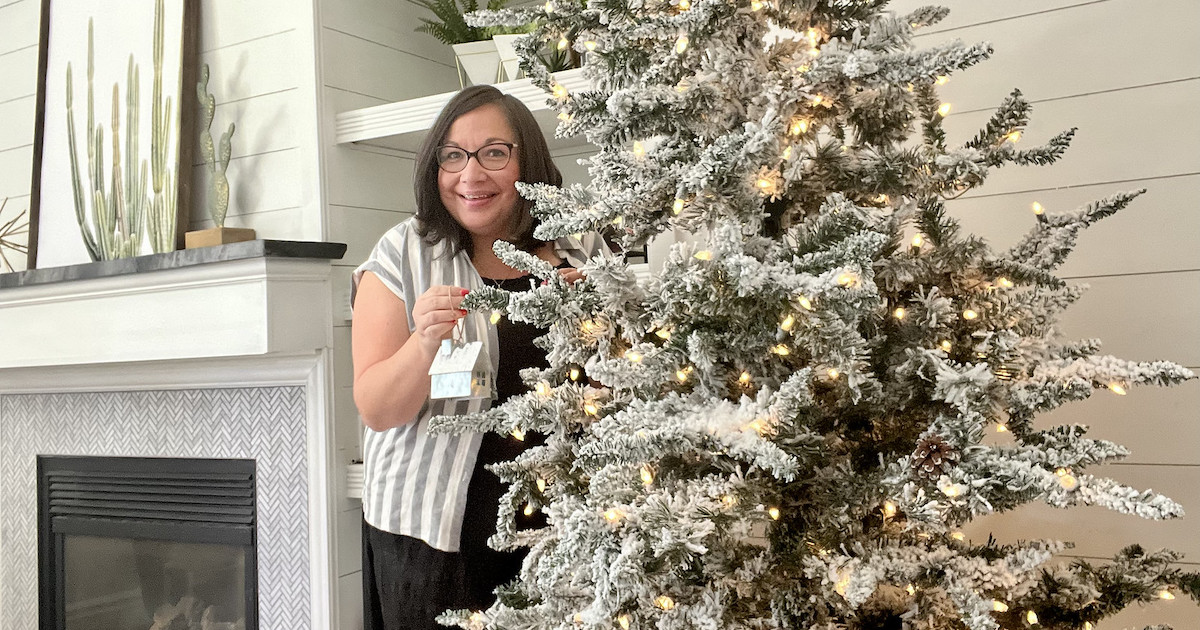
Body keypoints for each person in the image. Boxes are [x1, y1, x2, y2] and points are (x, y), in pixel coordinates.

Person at [351, 84, 608, 630]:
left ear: (528, 163)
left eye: (495, 152)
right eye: (453, 155)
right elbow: (376, 408)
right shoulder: (403, 254)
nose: (471, 174)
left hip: (563, 530)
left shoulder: (576, 251)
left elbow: (622, 386)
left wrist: (599, 321)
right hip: (436, 539)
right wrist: (423, 343)